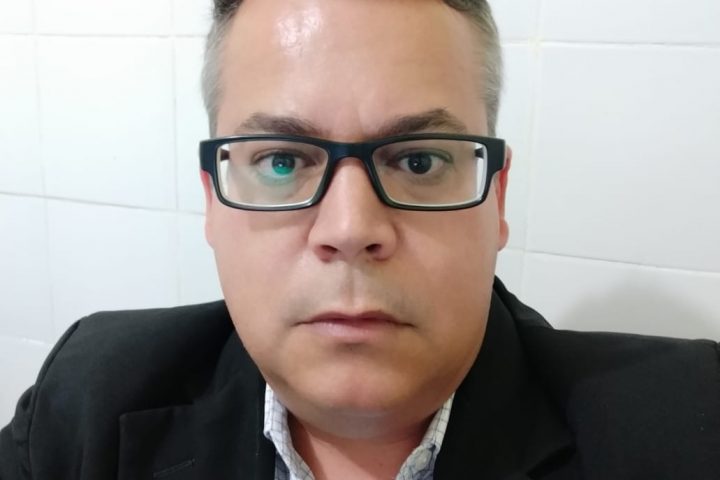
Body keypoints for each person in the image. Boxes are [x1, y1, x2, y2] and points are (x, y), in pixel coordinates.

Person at [1, 0, 718, 479]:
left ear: (496, 199)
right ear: (212, 203)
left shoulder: (687, 427)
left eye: (420, 161)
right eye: (282, 161)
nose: (350, 230)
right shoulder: (88, 404)